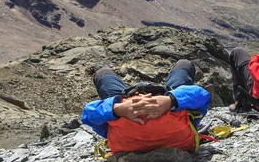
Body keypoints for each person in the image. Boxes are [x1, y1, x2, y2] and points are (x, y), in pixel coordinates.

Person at [82, 59, 211, 154]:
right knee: (184, 64)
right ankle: (171, 92)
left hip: (125, 148)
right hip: (183, 144)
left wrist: (116, 110)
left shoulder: (120, 108)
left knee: (103, 73)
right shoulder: (173, 106)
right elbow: (202, 96)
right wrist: (171, 101)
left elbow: (88, 115)